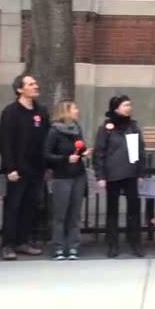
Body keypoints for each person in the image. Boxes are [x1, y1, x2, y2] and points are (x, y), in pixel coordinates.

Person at [0, 74, 49, 261]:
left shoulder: (41, 111)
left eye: (36, 83)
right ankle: (8, 244)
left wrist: (47, 165)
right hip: (17, 169)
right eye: (31, 84)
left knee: (30, 206)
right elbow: (5, 141)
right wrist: (10, 168)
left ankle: (23, 241)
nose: (36, 86)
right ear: (20, 89)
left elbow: (46, 137)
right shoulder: (11, 112)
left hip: (36, 169)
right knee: (14, 206)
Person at [94, 95, 146, 258]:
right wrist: (100, 175)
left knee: (134, 209)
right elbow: (99, 152)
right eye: (125, 105)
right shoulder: (106, 128)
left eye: (129, 105)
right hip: (112, 174)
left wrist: (140, 172)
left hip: (130, 173)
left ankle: (135, 242)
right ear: (116, 108)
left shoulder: (133, 126)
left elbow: (139, 150)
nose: (129, 107)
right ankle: (113, 243)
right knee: (112, 210)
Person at [44, 100, 90, 261]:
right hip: (62, 176)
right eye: (74, 108)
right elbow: (47, 155)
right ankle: (58, 247)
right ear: (66, 111)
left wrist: (84, 152)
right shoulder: (54, 131)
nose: (77, 111)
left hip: (78, 175)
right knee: (60, 214)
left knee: (75, 214)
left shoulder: (77, 129)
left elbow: (81, 147)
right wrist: (64, 159)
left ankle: (73, 247)